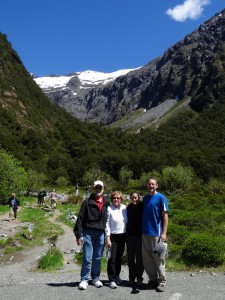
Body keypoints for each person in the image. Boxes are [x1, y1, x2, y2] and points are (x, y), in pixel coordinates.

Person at [74, 180, 109, 290]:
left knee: (98, 257)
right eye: (96, 188)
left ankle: (95, 278)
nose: (98, 189)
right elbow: (80, 218)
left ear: (103, 189)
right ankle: (84, 279)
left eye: (100, 187)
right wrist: (78, 235)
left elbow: (109, 218)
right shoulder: (87, 202)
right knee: (87, 258)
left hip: (101, 233)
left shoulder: (106, 202)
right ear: (94, 189)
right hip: (88, 232)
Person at [142, 178, 169, 292]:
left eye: (153, 184)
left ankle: (162, 281)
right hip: (145, 233)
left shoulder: (161, 198)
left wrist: (164, 233)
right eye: (149, 184)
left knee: (158, 258)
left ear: (156, 185)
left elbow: (165, 216)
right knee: (147, 259)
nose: (151, 186)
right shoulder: (145, 198)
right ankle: (153, 280)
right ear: (147, 185)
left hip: (156, 234)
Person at [105, 191, 127, 289]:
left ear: (121, 199)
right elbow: (107, 224)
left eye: (118, 198)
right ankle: (111, 279)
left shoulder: (124, 208)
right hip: (113, 236)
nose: (116, 199)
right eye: (114, 198)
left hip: (123, 236)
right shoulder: (109, 209)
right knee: (112, 259)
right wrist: (108, 238)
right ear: (112, 199)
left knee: (119, 258)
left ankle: (117, 276)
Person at [126, 192, 144, 286]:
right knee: (131, 258)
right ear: (130, 198)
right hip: (129, 236)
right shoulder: (128, 208)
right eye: (132, 198)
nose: (134, 199)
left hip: (139, 236)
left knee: (140, 258)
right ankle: (131, 277)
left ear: (138, 197)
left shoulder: (142, 207)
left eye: (135, 197)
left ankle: (139, 277)